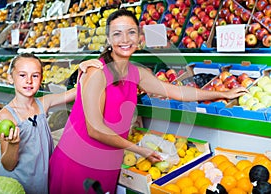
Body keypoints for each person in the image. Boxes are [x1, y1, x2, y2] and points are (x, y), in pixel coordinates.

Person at [48, 9, 248, 194]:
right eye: (117, 34)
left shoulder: (136, 73)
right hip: (79, 162)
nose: (125, 39)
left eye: (131, 32)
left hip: (108, 161)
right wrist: (138, 149)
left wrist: (221, 94)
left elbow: (176, 91)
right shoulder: (96, 73)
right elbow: (95, 129)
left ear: (139, 37)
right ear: (108, 39)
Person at [0, 53, 102, 194]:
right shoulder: (6, 115)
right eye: (22, 75)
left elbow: (77, 91)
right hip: (17, 185)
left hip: (40, 181)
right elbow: (8, 165)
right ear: (10, 77)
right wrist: (14, 145)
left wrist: (84, 69)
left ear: (41, 79)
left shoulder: (43, 103)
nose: (29, 81)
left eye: (35, 76)